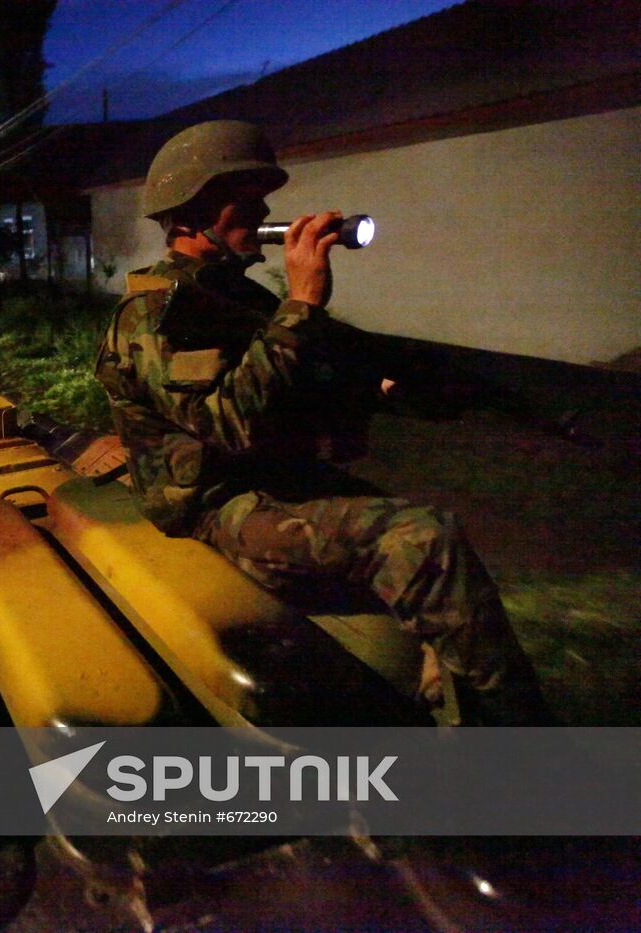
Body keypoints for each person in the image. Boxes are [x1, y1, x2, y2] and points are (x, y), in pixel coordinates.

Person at [94, 120, 551, 725]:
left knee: (431, 538)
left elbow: (311, 377)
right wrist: (303, 303)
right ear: (189, 214)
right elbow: (232, 422)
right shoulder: (153, 315)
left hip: (273, 481)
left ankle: (449, 692)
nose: (260, 213)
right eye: (243, 201)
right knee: (422, 542)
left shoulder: (242, 300)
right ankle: (520, 752)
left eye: (262, 199)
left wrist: (389, 384)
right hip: (214, 503)